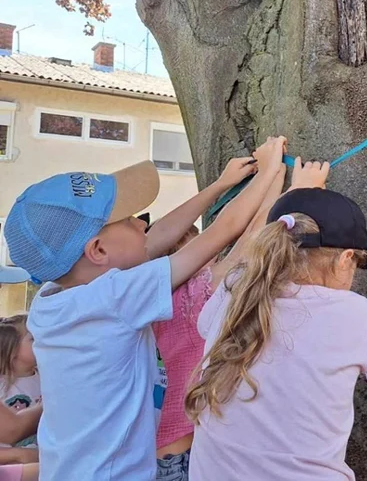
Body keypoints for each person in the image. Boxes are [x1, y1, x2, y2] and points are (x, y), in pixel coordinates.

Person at [3, 137, 288, 481]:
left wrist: (220, 185)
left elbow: (156, 239)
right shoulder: (112, 299)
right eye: (130, 220)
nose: (143, 225)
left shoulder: (53, 299)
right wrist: (270, 171)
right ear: (97, 250)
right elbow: (221, 233)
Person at [186, 176, 367, 480]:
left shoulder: (235, 290)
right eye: (357, 265)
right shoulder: (357, 314)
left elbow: (203, 325)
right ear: (345, 260)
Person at [153, 158, 289, 481]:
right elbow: (250, 242)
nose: (210, 250)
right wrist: (280, 174)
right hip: (188, 458)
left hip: (165, 456)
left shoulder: (158, 307)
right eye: (196, 240)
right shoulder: (191, 296)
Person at [0, 316, 39, 459]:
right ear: (12, 349)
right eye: (32, 339)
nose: (42, 341)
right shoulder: (2, 385)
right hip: (12, 463)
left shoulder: (47, 377)